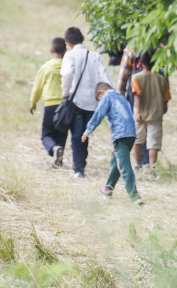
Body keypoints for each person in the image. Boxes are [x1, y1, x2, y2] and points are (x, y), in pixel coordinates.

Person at [60, 26, 115, 178]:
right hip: (92, 103)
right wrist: (113, 94)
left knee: (77, 135)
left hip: (76, 101)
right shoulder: (95, 56)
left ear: (67, 43)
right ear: (83, 38)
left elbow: (66, 75)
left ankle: (79, 169)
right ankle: (81, 165)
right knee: (85, 134)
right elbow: (105, 76)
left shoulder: (69, 56)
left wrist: (65, 94)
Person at [81, 83, 141, 205]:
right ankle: (108, 189)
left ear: (100, 92)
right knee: (115, 160)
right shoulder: (121, 97)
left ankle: (134, 195)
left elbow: (98, 114)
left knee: (125, 166)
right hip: (131, 134)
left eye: (98, 99)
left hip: (120, 134)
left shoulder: (106, 98)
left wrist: (87, 131)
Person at [30, 37, 67, 169]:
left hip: (50, 105)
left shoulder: (46, 67)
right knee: (62, 133)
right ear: (66, 50)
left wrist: (33, 103)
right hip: (65, 105)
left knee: (46, 134)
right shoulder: (68, 67)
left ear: (51, 50)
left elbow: (37, 87)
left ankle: (53, 149)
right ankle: (58, 158)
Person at [131, 50, 170, 171]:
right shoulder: (161, 79)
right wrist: (163, 109)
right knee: (153, 143)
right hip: (156, 114)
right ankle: (152, 167)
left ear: (141, 62)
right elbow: (165, 99)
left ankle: (138, 164)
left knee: (137, 140)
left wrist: (137, 111)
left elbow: (137, 95)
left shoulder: (136, 77)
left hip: (140, 114)